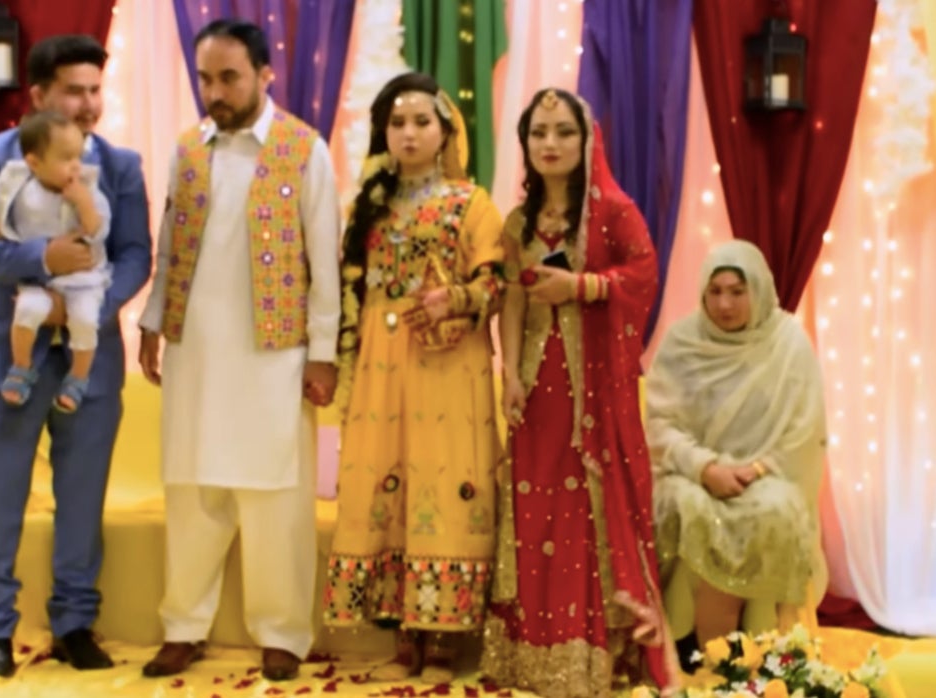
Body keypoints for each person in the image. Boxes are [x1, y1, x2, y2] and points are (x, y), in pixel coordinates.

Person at [137, 20, 341, 682]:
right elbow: (168, 242)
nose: (215, 92)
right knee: (192, 489)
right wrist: (149, 322)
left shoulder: (302, 149)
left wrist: (321, 351)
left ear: (264, 75)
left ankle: (282, 632)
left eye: (229, 77)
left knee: (274, 496)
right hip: (195, 350)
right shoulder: (188, 149)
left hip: (272, 355)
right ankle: (182, 625)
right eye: (206, 78)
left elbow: (323, 260)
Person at [0, 34, 152, 677]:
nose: (90, 102)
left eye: (96, 88)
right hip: (6, 356)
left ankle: (74, 623)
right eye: (75, 89)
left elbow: (135, 254)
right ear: (38, 96)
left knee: (83, 498)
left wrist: (85, 305)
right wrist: (44, 261)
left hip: (89, 359)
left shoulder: (119, 166)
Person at [481, 88, 677, 697]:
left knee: (581, 512)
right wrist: (510, 374)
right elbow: (513, 297)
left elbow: (642, 276)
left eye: (563, 132)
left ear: (586, 140)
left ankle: (588, 652)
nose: (550, 144)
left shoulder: (615, 211)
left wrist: (585, 286)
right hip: (538, 391)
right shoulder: (518, 222)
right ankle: (529, 651)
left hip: (592, 394)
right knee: (533, 506)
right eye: (538, 133)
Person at [321, 72, 506, 684]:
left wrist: (454, 298)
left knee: (447, 473)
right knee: (386, 474)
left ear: (446, 131)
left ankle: (446, 623)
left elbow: (497, 282)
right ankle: (401, 617)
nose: (408, 132)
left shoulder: (471, 203)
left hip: (448, 366)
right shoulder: (368, 204)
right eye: (397, 122)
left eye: (421, 121)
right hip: (379, 363)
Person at [644, 239, 827, 665]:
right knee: (679, 503)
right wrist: (705, 468)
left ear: (758, 290)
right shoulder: (682, 342)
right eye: (716, 291)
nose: (725, 304)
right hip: (692, 473)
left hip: (765, 475)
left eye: (737, 292)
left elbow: (804, 432)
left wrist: (753, 470)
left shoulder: (787, 344)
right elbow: (660, 426)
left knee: (776, 509)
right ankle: (681, 634)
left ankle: (758, 641)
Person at [0, 110, 112, 413]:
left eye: (78, 155)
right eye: (66, 158)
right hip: (38, 278)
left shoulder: (86, 186)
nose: (76, 165)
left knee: (85, 320)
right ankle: (21, 367)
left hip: (81, 278)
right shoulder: (15, 181)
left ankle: (78, 376)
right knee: (26, 310)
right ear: (34, 163)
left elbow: (96, 231)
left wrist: (83, 203)